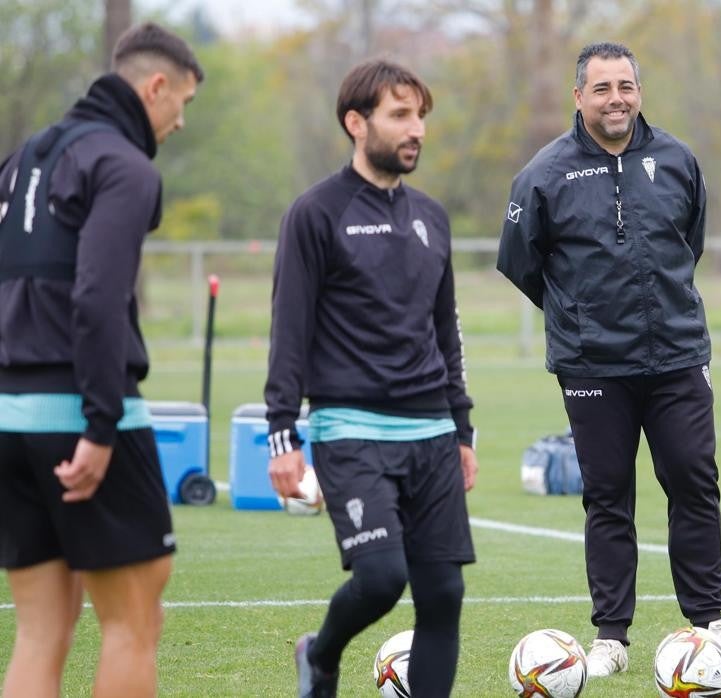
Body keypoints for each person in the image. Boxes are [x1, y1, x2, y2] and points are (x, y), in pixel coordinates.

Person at [496, 41, 721, 678]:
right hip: (593, 366)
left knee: (695, 484)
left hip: (677, 357)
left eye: (626, 86)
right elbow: (519, 262)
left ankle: (709, 628)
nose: (616, 99)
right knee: (608, 497)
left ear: (638, 91)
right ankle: (611, 639)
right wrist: (579, 314)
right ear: (579, 97)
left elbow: (688, 244)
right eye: (602, 88)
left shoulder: (676, 159)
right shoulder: (545, 173)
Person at [0, 22, 202, 698]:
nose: (179, 122)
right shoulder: (124, 164)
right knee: (133, 624)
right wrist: (99, 424)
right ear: (156, 86)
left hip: (8, 420)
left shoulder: (22, 158)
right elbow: (97, 298)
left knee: (39, 634)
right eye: (184, 102)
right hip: (81, 418)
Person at [265, 59, 478, 698]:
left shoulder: (432, 218)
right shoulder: (315, 214)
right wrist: (281, 434)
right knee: (383, 578)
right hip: (350, 430)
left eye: (420, 116)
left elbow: (448, 334)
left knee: (443, 593)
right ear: (356, 123)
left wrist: (462, 427)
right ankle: (321, 655)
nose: (416, 130)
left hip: (433, 430)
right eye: (400, 115)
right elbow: (289, 331)